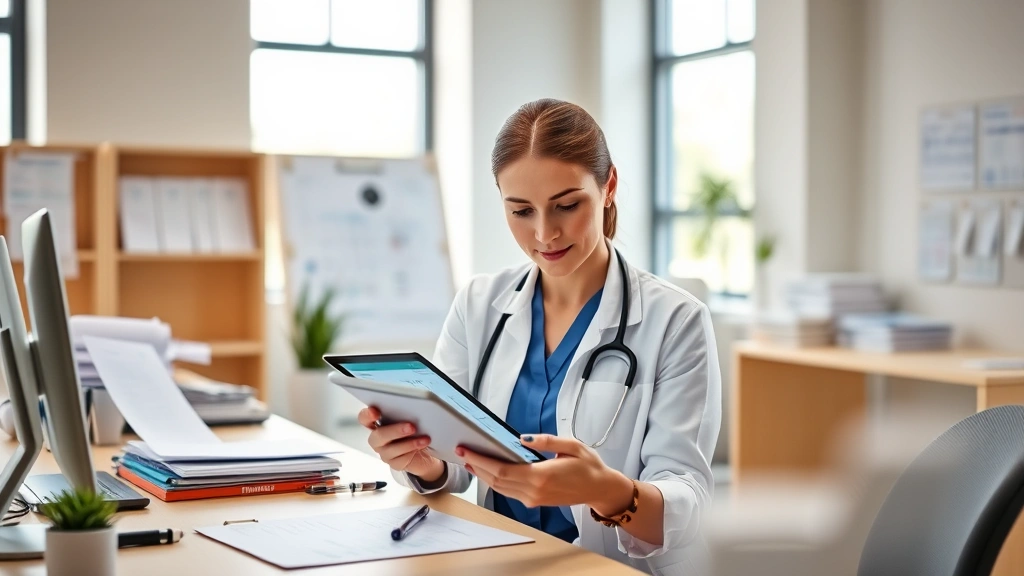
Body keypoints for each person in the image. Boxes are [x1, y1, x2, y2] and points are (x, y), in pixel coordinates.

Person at [358, 98, 721, 574]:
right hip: (492, 558)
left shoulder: (676, 321)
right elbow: (453, 464)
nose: (545, 233)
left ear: (608, 186)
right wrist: (423, 462)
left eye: (567, 205)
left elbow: (688, 506)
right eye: (521, 210)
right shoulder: (479, 304)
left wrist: (606, 490)